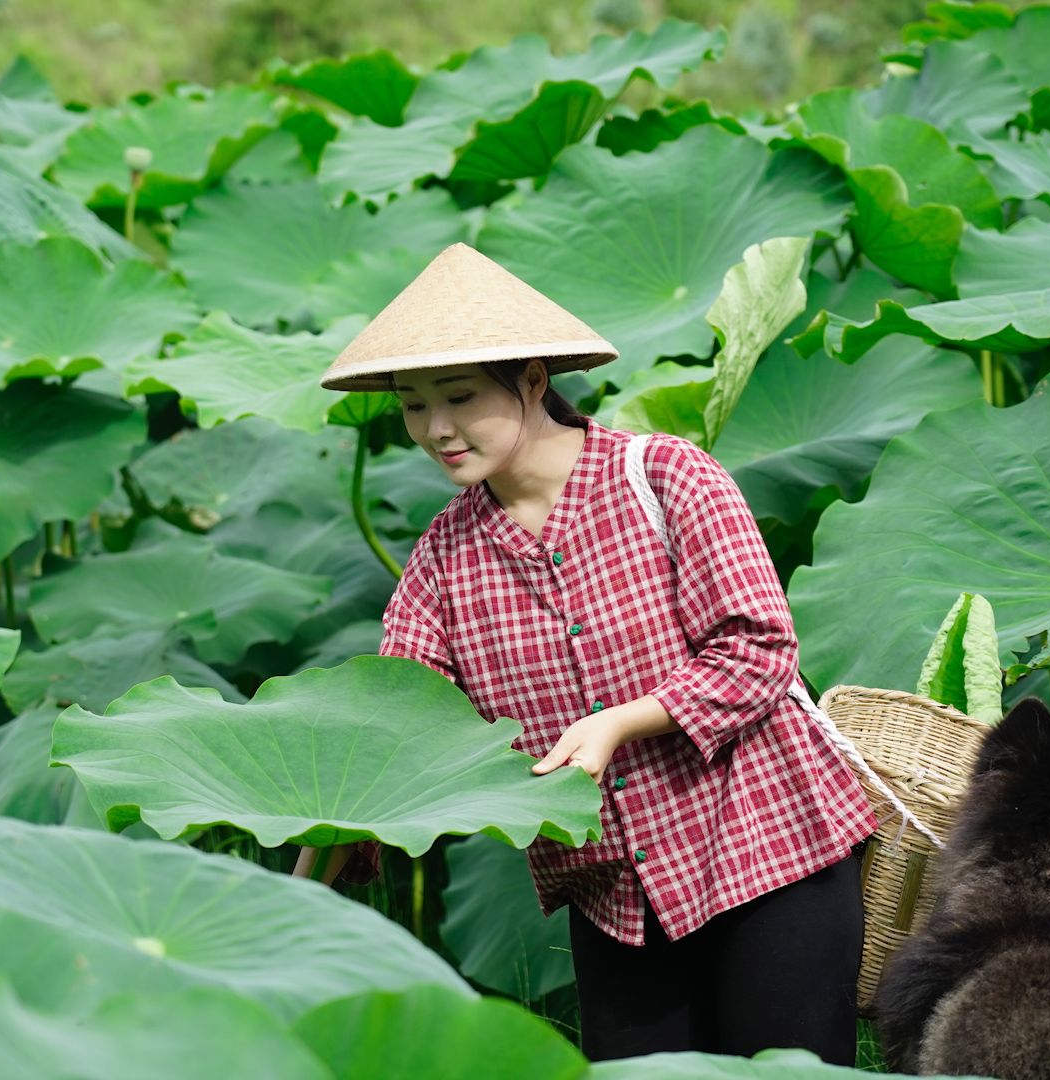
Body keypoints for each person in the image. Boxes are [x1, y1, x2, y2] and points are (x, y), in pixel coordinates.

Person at [302, 242, 879, 1064]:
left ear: (534, 380)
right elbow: (393, 727)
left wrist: (620, 724)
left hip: (765, 852)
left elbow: (760, 649)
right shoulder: (441, 561)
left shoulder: (667, 476)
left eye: (460, 396)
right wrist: (300, 841)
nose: (436, 428)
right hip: (614, 897)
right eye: (412, 405)